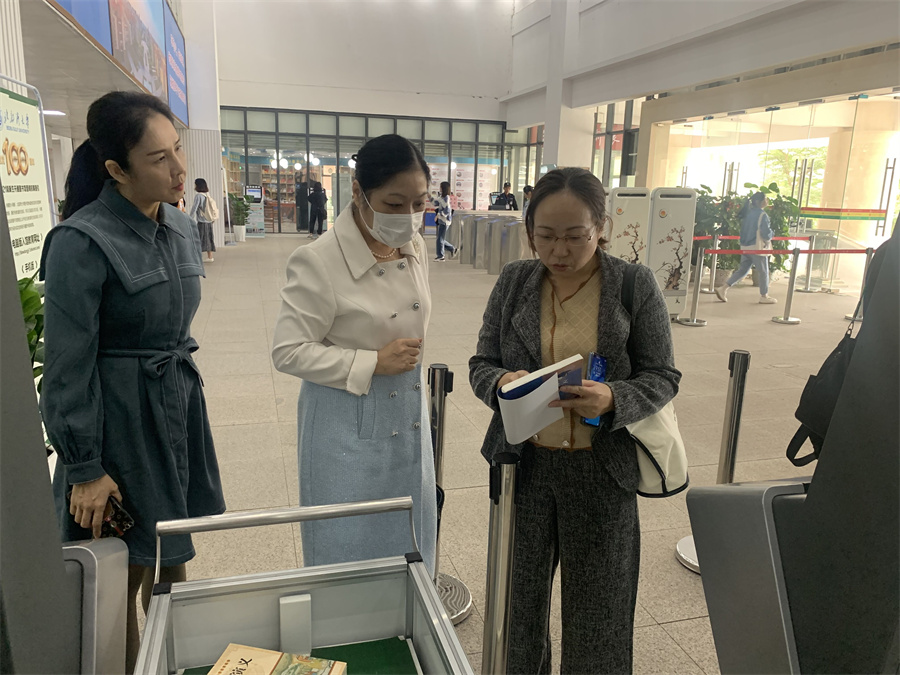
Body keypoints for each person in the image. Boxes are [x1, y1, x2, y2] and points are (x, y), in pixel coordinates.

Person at [40, 91, 225, 673]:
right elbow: (67, 366)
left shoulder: (179, 225)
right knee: (114, 575)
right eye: (158, 158)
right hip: (118, 423)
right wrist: (84, 467)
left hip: (173, 409)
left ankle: (169, 662)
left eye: (178, 150)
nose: (178, 169)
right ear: (117, 170)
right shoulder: (81, 241)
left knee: (168, 561)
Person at [469, 167, 680, 673]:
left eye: (574, 236)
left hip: (601, 471)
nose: (558, 251)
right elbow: (481, 364)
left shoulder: (632, 284)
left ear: (601, 227)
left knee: (599, 615)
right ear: (529, 231)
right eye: (545, 236)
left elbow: (663, 375)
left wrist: (613, 398)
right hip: (524, 469)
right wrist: (502, 383)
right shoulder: (515, 281)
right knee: (517, 610)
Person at [272, 134, 437, 574]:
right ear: (358, 192)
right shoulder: (319, 260)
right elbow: (287, 351)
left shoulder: (414, 247)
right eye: (393, 203)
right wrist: (371, 362)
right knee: (347, 545)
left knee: (411, 538)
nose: (408, 217)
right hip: (344, 423)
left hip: (408, 413)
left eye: (418, 203)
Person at [715, 191, 778, 304]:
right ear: (759, 202)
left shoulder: (748, 214)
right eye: (765, 198)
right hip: (757, 247)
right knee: (763, 272)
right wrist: (772, 234)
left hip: (745, 246)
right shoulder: (762, 215)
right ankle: (764, 295)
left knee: (743, 270)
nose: (767, 200)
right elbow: (766, 233)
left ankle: (724, 288)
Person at [188, 177, 217, 262]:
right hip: (209, 221)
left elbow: (194, 208)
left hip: (202, 221)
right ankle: (210, 257)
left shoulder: (198, 196)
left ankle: (197, 258)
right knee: (209, 238)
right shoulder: (207, 195)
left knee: (199, 239)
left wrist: (190, 218)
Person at [431, 180, 457, 261]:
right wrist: (429, 196)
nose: (439, 188)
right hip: (442, 221)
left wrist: (438, 215)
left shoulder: (446, 198)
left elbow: (447, 211)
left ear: (443, 188)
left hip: (445, 221)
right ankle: (452, 248)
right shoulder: (441, 197)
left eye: (440, 186)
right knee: (440, 239)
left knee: (440, 239)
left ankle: (441, 256)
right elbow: (435, 203)